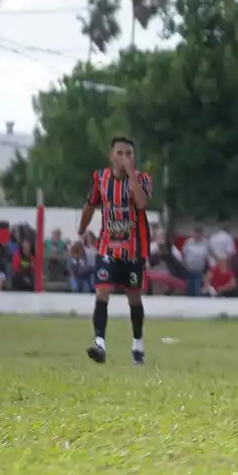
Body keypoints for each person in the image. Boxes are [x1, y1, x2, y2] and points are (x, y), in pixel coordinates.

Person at [77, 135, 152, 365]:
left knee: (134, 297)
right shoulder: (100, 179)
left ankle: (137, 344)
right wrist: (81, 230)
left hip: (133, 248)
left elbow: (141, 203)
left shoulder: (143, 179)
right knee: (102, 291)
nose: (124, 158)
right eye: (120, 153)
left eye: (129, 154)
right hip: (107, 246)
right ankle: (99, 343)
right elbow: (90, 205)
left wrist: (131, 175)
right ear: (111, 156)